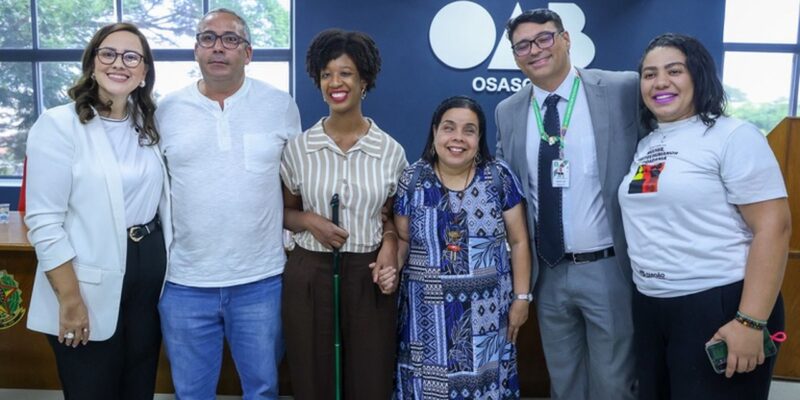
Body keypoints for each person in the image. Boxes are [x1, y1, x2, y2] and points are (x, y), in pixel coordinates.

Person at [619, 33, 791, 400]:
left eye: (674, 70)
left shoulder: (733, 136)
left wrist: (750, 321)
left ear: (699, 75)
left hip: (719, 304)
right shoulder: (648, 143)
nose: (660, 82)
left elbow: (774, 228)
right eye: (649, 74)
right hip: (652, 307)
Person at [494, 8, 643, 400]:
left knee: (614, 384)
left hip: (608, 266)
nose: (535, 50)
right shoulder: (508, 111)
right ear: (514, 56)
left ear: (565, 39)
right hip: (549, 271)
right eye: (522, 45)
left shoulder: (621, 89)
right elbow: (505, 189)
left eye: (544, 38)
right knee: (564, 383)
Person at [155, 8, 301, 399]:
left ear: (248, 54)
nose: (218, 47)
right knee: (190, 392)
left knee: (263, 389)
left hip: (261, 281)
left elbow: (295, 182)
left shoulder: (279, 105)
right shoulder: (166, 111)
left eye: (230, 39)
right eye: (208, 38)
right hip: (184, 283)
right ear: (196, 51)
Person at [25, 22, 171, 399]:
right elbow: (43, 222)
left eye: (131, 57)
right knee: (92, 389)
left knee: (139, 386)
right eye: (108, 53)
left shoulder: (147, 125)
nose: (118, 63)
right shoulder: (59, 125)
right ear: (92, 64)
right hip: (86, 281)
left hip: (148, 274)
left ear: (143, 74)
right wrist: (70, 299)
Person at [280, 28, 407, 400]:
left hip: (367, 276)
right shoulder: (298, 148)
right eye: (326, 74)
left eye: (346, 73)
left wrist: (388, 245)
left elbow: (393, 219)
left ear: (364, 80)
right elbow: (284, 212)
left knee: (370, 377)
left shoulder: (390, 151)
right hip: (308, 274)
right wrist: (308, 221)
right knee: (312, 375)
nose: (335, 82)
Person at [393, 96, 531, 399]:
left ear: (479, 138)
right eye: (449, 128)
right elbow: (403, 239)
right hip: (424, 318)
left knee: (485, 388)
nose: (458, 138)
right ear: (434, 132)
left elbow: (520, 241)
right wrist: (390, 267)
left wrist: (522, 298)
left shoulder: (498, 177)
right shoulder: (412, 179)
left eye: (469, 130)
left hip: (488, 316)